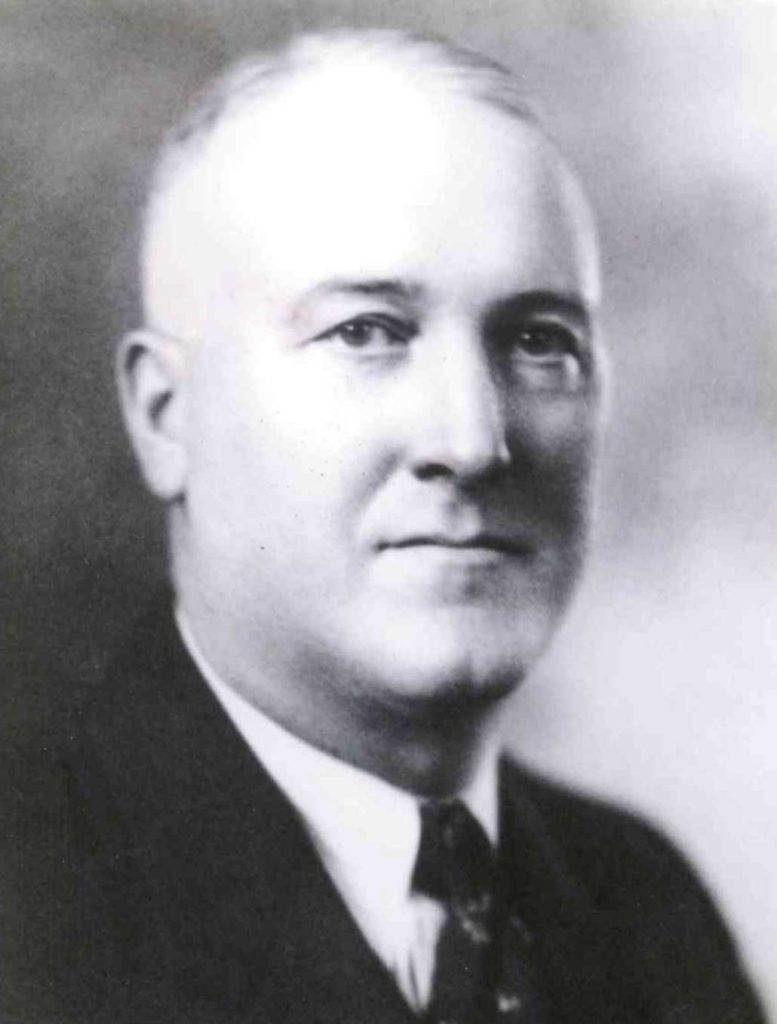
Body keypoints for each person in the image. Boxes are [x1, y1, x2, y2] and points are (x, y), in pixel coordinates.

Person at [1, 28, 764, 1024]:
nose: (474, 437)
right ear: (166, 416)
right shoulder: (32, 897)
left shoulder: (646, 910)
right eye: (366, 330)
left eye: (540, 340)